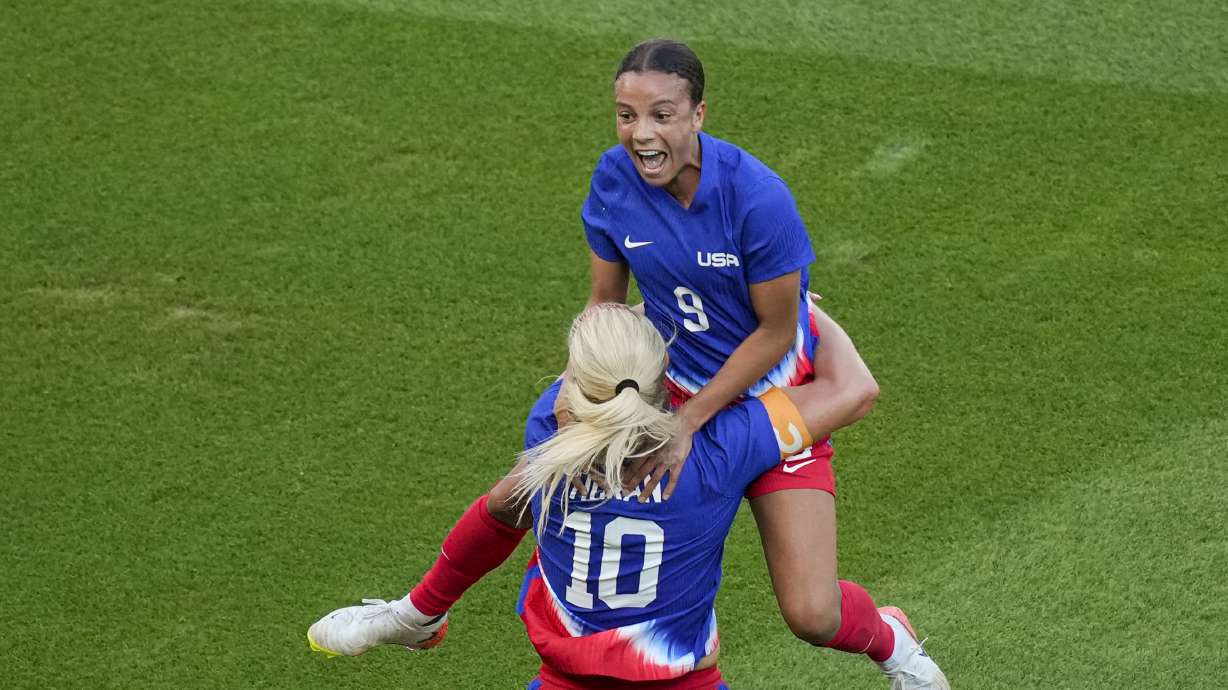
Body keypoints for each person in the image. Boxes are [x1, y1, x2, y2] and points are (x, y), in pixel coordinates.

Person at [309, 38, 949, 689]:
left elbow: (781, 330)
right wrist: (575, 393)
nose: (641, 134)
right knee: (519, 493)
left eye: (661, 115)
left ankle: (890, 641)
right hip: (661, 391)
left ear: (699, 113)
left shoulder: (757, 199)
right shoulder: (614, 182)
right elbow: (605, 306)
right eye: (626, 114)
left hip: (768, 397)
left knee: (812, 614)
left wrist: (692, 421)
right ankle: (415, 615)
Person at [309, 304, 948, 689]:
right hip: (677, 682)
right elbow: (855, 387)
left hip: (569, 678)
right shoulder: (721, 447)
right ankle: (416, 616)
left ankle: (416, 615)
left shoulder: (548, 434)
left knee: (509, 502)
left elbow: (505, 507)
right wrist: (796, 309)